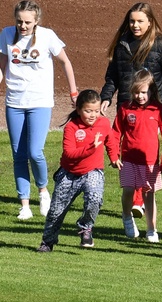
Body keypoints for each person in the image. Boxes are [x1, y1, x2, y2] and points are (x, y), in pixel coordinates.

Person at [100, 2, 162, 219]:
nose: (135, 25)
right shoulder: (122, 45)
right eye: (132, 21)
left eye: (140, 21)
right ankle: (138, 200)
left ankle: (139, 200)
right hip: (127, 106)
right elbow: (113, 75)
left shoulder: (161, 46)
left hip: (153, 109)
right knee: (130, 149)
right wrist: (106, 97)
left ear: (150, 22)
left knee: (145, 150)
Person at [0, 0, 78, 220]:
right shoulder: (6, 34)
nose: (22, 26)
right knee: (19, 155)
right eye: (19, 22)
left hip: (40, 102)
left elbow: (65, 62)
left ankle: (43, 191)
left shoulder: (47, 36)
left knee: (35, 152)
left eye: (27, 22)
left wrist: (73, 92)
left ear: (36, 21)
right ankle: (24, 204)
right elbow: (2, 67)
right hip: (14, 102)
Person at [36, 90, 119, 252]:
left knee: (95, 198)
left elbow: (110, 140)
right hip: (69, 174)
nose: (93, 115)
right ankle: (48, 242)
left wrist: (114, 157)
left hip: (93, 171)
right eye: (88, 111)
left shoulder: (103, 123)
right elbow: (69, 154)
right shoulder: (71, 128)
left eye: (96, 111)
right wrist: (90, 148)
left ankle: (85, 228)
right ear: (79, 109)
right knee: (55, 212)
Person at [112, 69, 162, 242]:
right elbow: (116, 132)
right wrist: (114, 155)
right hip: (129, 159)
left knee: (149, 194)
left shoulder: (158, 109)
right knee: (128, 190)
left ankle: (151, 229)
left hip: (151, 162)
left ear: (151, 91)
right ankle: (126, 216)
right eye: (137, 92)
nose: (140, 96)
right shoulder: (125, 109)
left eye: (144, 92)